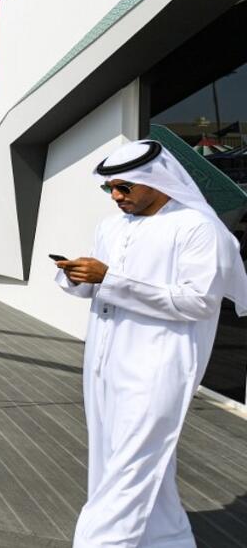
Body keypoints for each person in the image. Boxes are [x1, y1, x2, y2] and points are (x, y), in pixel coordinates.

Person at [56, 140, 247, 547]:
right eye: (110, 189)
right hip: (104, 363)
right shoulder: (111, 227)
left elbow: (199, 301)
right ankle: (169, 539)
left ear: (156, 181)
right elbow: (101, 287)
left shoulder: (197, 228)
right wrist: (77, 277)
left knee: (129, 473)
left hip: (158, 367)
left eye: (125, 188)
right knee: (118, 466)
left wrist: (109, 279)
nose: (117, 197)